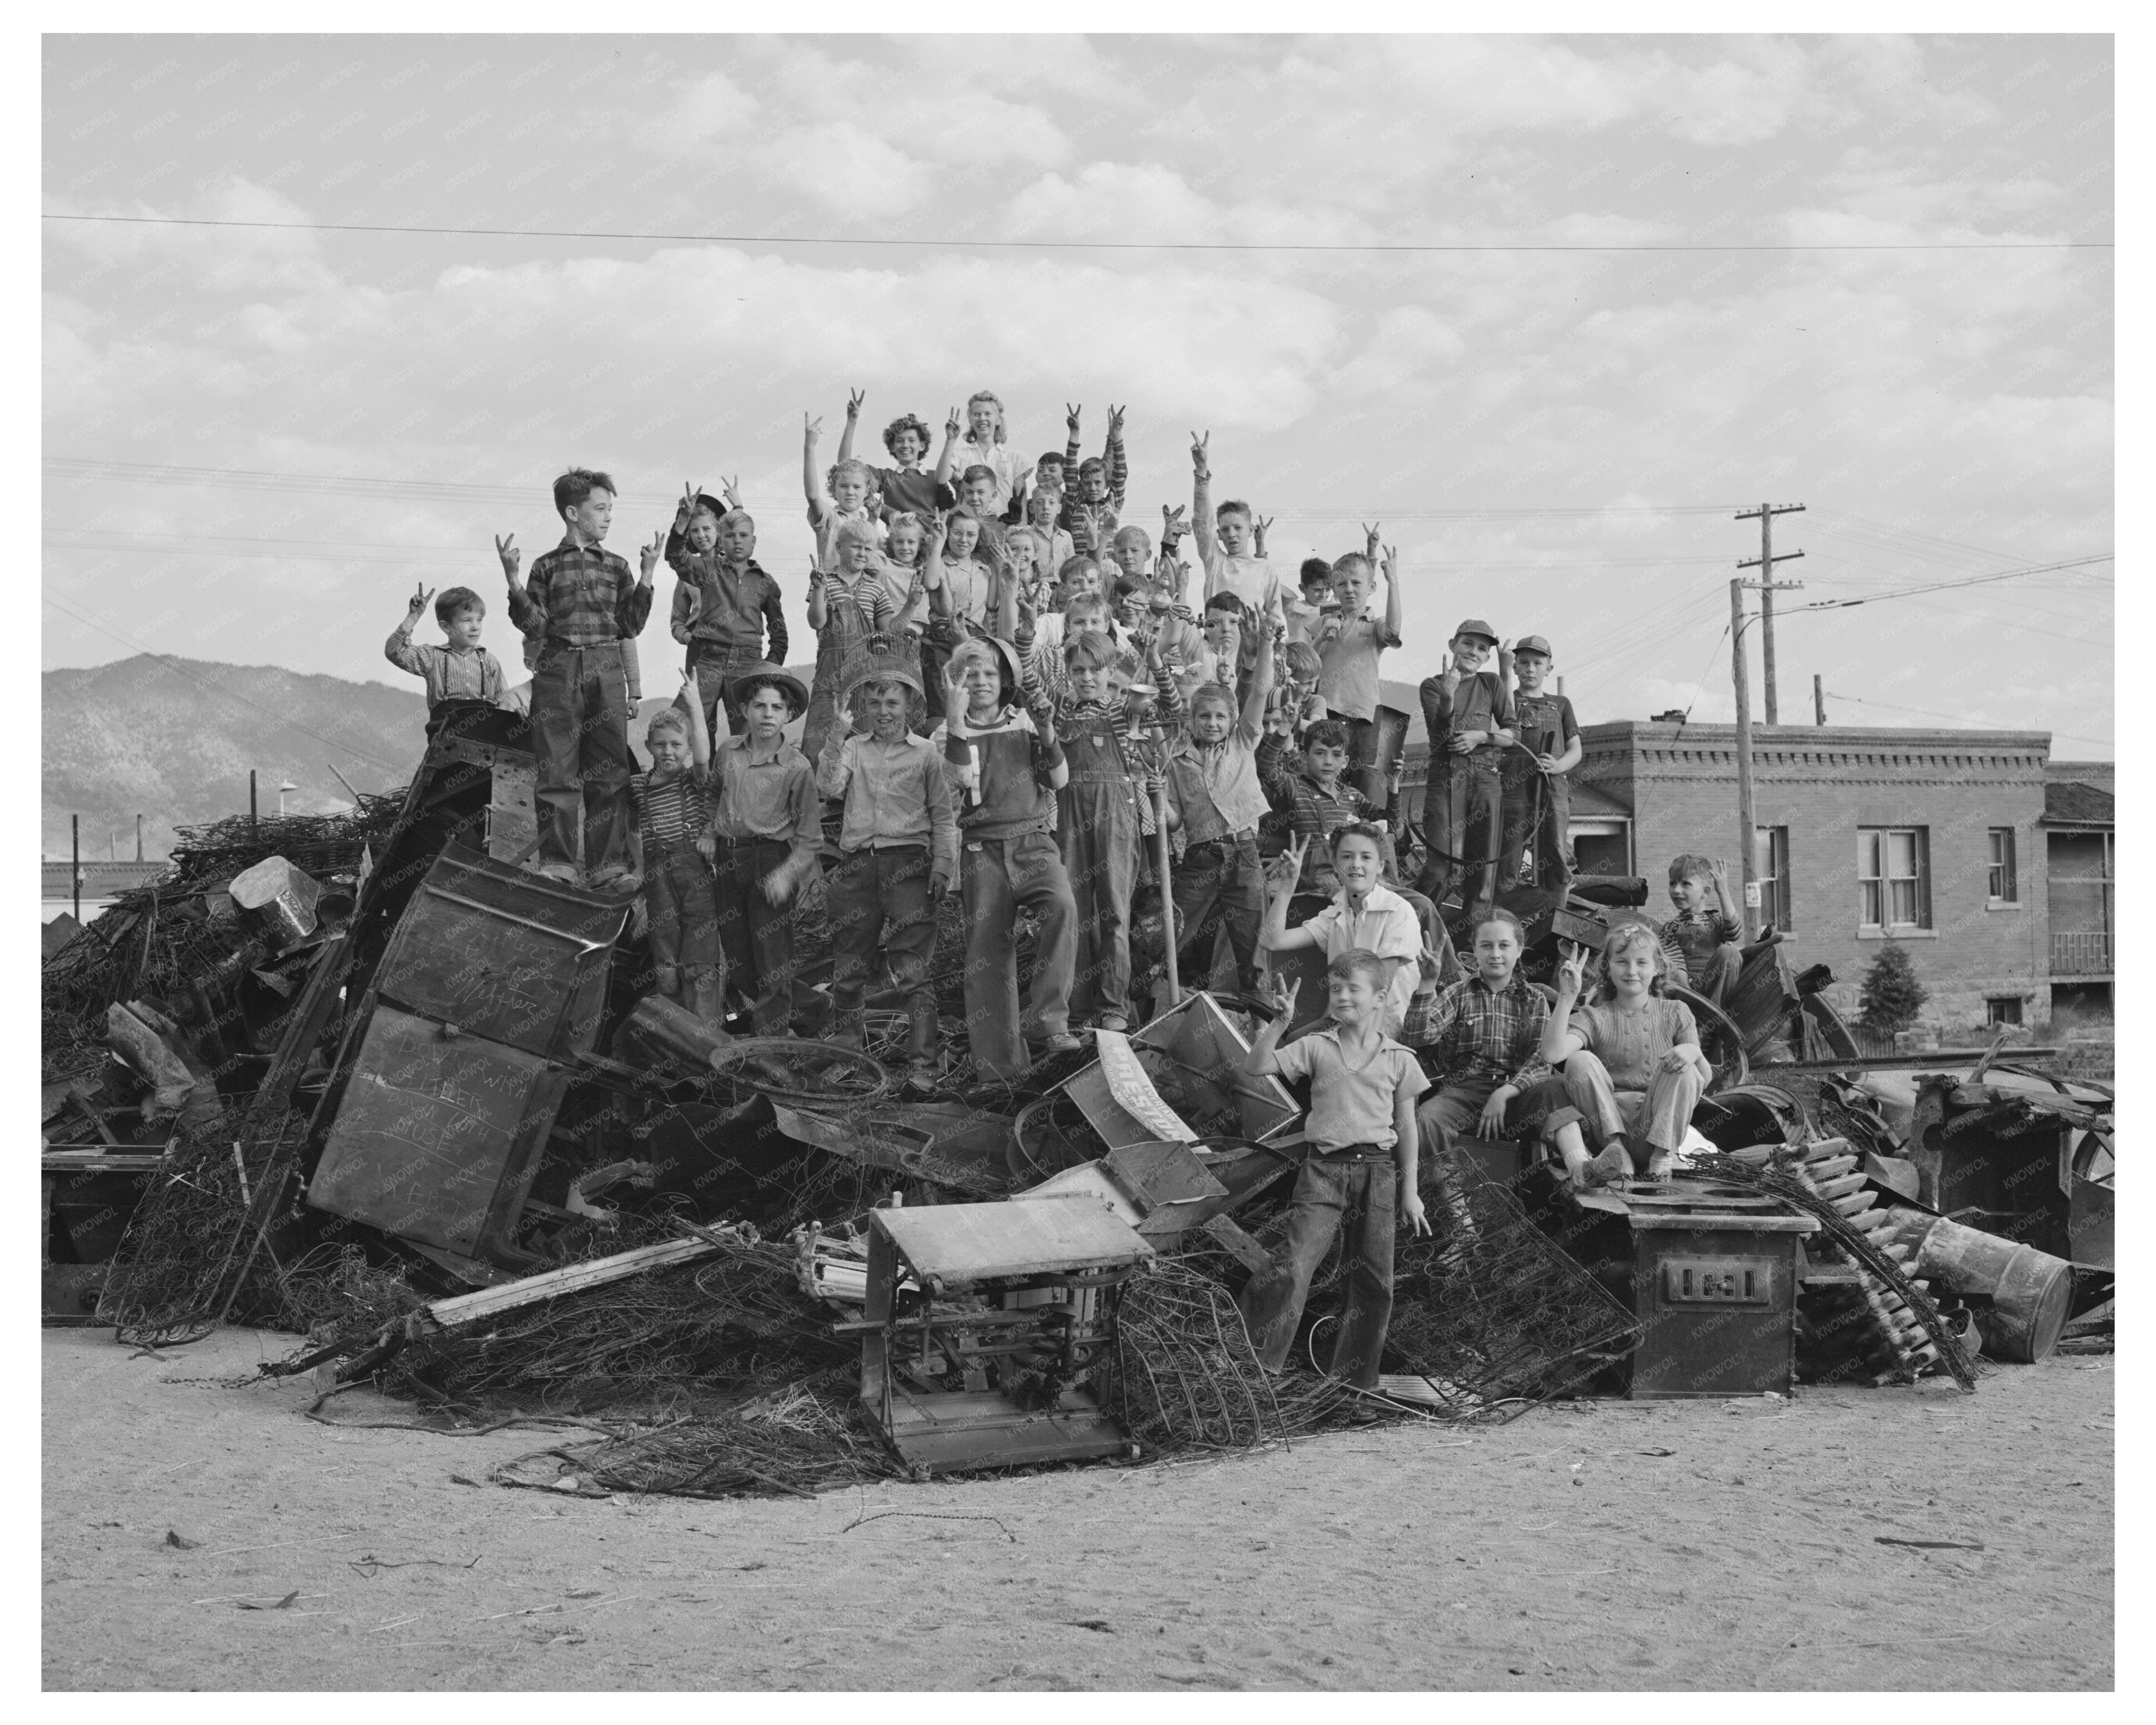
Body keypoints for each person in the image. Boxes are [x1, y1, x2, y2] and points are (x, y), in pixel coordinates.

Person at [1239, 951, 1431, 1396]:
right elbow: (1256, 1066)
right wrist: (1279, 1022)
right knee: (1293, 1262)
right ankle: (1252, 1366)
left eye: (1353, 988)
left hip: (1379, 1173)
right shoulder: (1317, 1046)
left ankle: (1354, 1385)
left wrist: (1412, 1191)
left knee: (1374, 1279)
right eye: (1335, 988)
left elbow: (1408, 1128)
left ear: (1380, 997)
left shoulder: (1401, 1059)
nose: (1342, 996)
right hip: (1323, 1169)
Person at [816, 638, 957, 1095]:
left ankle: (923, 1067)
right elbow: (828, 785)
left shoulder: (926, 755)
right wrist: (836, 734)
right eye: (874, 701)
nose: (883, 710)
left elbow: (943, 815)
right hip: (857, 868)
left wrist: (942, 865)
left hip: (910, 868)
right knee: (849, 966)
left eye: (892, 701)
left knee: (912, 969)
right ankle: (848, 1055)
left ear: (910, 704)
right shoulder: (854, 748)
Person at [502, 468, 656, 886]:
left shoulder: (619, 567)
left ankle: (608, 866)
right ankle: (560, 865)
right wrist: (514, 583)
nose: (608, 518)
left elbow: (630, 625)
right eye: (600, 508)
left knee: (609, 772)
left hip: (607, 668)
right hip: (558, 668)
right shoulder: (546, 566)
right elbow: (534, 627)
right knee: (557, 773)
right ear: (573, 513)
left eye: (611, 509)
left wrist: (646, 577)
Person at [1151, 623, 1276, 1009]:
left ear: (1232, 719)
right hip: (1201, 857)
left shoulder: (1243, 741)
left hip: (1243, 852)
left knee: (1251, 937)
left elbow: (1259, 690)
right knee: (1174, 930)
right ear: (1192, 720)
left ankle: (1259, 1007)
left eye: (1221, 716)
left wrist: (1267, 643)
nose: (1212, 722)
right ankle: (1154, 993)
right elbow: (1172, 822)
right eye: (1204, 716)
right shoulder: (1176, 761)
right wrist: (1157, 801)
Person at [1053, 628, 1172, 1033]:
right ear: (1068, 672)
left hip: (1116, 818)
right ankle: (1075, 1007)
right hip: (1069, 818)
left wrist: (1152, 656)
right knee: (1074, 913)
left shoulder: (1124, 712)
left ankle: (1114, 1006)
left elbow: (1170, 710)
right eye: (1079, 670)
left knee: (1115, 915)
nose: (1087, 678)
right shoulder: (1061, 713)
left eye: (1096, 670)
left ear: (1110, 671)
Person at [1538, 925, 1712, 1187]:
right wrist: (1566, 996)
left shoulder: (1676, 1012)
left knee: (1686, 1067)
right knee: (1579, 1060)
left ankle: (1661, 1162)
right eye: (1622, 962)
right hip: (1607, 1131)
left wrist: (1694, 1052)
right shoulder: (1596, 1017)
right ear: (1607, 967)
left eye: (1642, 962)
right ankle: (1620, 1157)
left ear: (1658, 968)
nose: (1632, 971)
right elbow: (1552, 1054)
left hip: (1656, 1129)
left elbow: (1704, 1078)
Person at [700, 662, 819, 1036]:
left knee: (773, 963)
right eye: (760, 706)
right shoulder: (729, 752)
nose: (767, 714)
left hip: (771, 861)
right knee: (740, 966)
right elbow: (712, 794)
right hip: (729, 860)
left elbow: (810, 837)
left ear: (789, 715)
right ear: (746, 710)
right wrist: (708, 832)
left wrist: (787, 874)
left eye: (776, 708)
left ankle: (771, 1048)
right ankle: (820, 1009)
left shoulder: (797, 768)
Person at [1403, 906, 1559, 1176]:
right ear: (1475, 950)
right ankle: (1451, 1205)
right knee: (1425, 1122)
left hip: (1517, 1094)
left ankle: (1575, 1168)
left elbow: (1542, 1059)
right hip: (1464, 1091)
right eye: (1486, 946)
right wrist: (1428, 983)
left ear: (1520, 949)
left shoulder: (1535, 999)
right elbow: (1417, 1038)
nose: (1495, 954)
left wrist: (1504, 1093)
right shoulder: (1459, 993)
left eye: (1504, 946)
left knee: (1557, 1088)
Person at [1260, 826, 1424, 1037]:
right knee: (1295, 1041)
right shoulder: (1335, 914)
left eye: (1366, 858)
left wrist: (1345, 1045)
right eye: (1347, 857)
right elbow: (1271, 941)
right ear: (1336, 866)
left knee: (1314, 1056)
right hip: (1346, 1020)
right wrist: (1287, 886)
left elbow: (1378, 989)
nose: (1356, 864)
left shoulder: (1398, 911)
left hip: (1390, 1028)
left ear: (1381, 866)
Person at [628, 672, 720, 1022]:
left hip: (694, 872)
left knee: (701, 953)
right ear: (649, 746)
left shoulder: (692, 779)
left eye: (677, 745)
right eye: (661, 745)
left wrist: (696, 706)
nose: (669, 752)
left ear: (687, 748)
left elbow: (702, 753)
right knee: (665, 953)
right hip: (657, 877)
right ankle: (675, 1033)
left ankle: (705, 1033)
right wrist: (638, 867)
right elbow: (632, 828)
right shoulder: (638, 786)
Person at [665, 488, 786, 735]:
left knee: (748, 734)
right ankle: (693, 773)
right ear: (722, 539)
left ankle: (742, 773)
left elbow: (779, 636)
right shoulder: (708, 570)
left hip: (749, 662)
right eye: (730, 536)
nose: (738, 541)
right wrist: (683, 521)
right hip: (710, 657)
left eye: (744, 536)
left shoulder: (766, 583)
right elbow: (675, 557)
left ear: (753, 542)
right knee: (680, 725)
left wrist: (769, 668)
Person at [1415, 619, 1513, 917]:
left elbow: (1513, 733)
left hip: (1485, 777)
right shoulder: (1433, 685)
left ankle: (1472, 947)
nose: (1474, 651)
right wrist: (1448, 696)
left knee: (1482, 874)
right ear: (1453, 646)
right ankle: (1404, 923)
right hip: (1447, 777)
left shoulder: (1492, 683)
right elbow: (1442, 730)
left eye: (1482, 649)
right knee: (1441, 868)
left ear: (1486, 658)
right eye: (1468, 644)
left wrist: (1482, 736)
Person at [802, 517, 898, 761]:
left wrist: (911, 605)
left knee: (863, 739)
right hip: (829, 675)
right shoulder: (824, 581)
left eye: (868, 549)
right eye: (856, 546)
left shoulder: (876, 588)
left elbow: (888, 632)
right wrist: (819, 590)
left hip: (864, 676)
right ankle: (818, 795)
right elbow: (817, 622)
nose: (862, 553)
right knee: (819, 735)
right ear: (838, 548)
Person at [1498, 633, 1581, 900]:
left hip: (1553, 790)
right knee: (1507, 855)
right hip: (1514, 790)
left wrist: (1558, 766)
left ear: (1549, 669)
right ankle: (1505, 922)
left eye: (1537, 663)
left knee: (1555, 854)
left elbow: (1576, 750)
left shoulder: (1561, 704)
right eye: (1523, 663)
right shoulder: (1508, 699)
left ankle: (1556, 917)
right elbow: (1502, 713)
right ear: (1515, 667)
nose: (1530, 669)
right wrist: (1502, 669)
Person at [1315, 542, 1403, 770]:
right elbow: (1307, 663)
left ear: (1372, 587)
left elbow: (1393, 632)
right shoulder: (1325, 622)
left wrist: (1393, 582)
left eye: (1356, 583)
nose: (1349, 589)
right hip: (1328, 713)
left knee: (1366, 782)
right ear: (1334, 589)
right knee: (1329, 779)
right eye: (1342, 584)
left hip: (1367, 717)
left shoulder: (1376, 624)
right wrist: (1321, 638)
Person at [1191, 429, 1287, 629]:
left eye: (1238, 528)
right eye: (1225, 530)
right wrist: (1202, 469)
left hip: (1253, 650)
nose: (1232, 535)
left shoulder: (1265, 569)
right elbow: (1202, 522)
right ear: (1219, 535)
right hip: (1217, 647)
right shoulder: (1215, 562)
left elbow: (1276, 617)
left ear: (1251, 531)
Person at [384, 582, 505, 714]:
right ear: (446, 627)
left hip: (482, 733)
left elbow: (505, 703)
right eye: (467, 621)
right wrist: (413, 617)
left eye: (479, 619)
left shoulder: (489, 661)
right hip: (446, 733)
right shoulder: (433, 657)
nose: (475, 627)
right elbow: (394, 652)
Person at [836, 392, 952, 522]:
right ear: (892, 447)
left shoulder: (936, 477)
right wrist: (852, 422)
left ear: (922, 446)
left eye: (912, 440)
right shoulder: (886, 477)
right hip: (897, 539)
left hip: (929, 538)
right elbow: (845, 466)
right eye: (900, 441)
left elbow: (947, 514)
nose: (905, 445)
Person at [802, 411, 886, 572]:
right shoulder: (829, 518)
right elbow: (812, 496)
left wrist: (873, 520)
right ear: (834, 488)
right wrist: (810, 446)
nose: (850, 492)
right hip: (832, 591)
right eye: (844, 486)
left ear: (867, 491)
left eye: (857, 487)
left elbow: (868, 559)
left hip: (859, 594)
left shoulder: (866, 522)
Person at [1658, 853, 1744, 1004]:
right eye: (1673, 884)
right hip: (1688, 990)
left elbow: (1734, 932)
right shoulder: (1672, 927)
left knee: (1729, 952)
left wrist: (1723, 892)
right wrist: (1689, 995)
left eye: (1686, 884)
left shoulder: (1716, 919)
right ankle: (1701, 1011)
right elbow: (1675, 962)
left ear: (1705, 892)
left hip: (1718, 987)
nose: (1676, 890)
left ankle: (1713, 1012)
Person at [1061, 403, 1128, 560]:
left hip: (1109, 567)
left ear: (1107, 484)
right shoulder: (1076, 503)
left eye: (1098, 483)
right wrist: (1075, 433)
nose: (1093, 488)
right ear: (1080, 485)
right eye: (1087, 483)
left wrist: (1117, 433)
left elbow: (1121, 473)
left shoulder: (1112, 504)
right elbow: (1070, 473)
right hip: (1083, 565)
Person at [953, 390, 1021, 514]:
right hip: (970, 523)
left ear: (998, 420)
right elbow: (941, 479)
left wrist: (1022, 524)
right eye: (977, 414)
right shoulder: (960, 455)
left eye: (988, 414)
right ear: (971, 420)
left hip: (1004, 524)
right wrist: (950, 440)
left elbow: (1021, 496)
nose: (982, 419)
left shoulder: (1013, 457)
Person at [1285, 557, 1331, 648]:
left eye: (1328, 589)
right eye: (1318, 590)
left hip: (1325, 660)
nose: (1324, 595)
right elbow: (1271, 583)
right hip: (1300, 659)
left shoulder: (1334, 606)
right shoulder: (1293, 607)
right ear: (1302, 588)